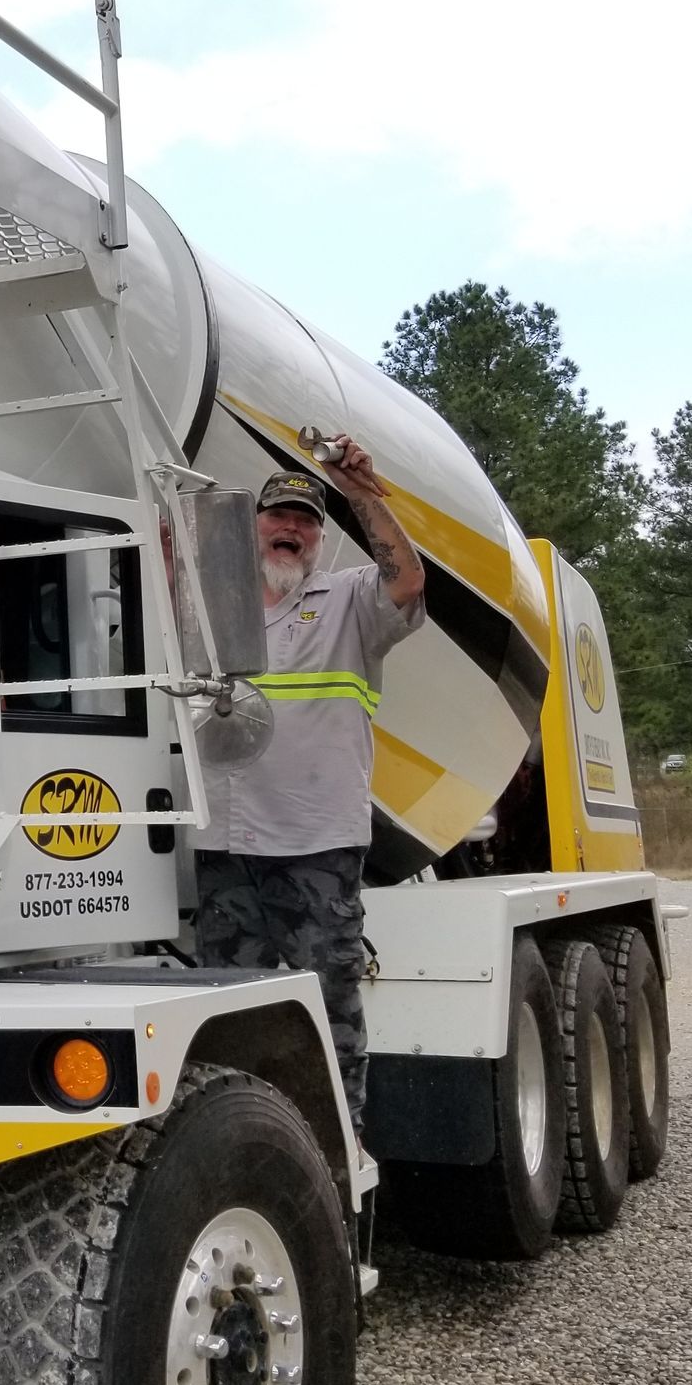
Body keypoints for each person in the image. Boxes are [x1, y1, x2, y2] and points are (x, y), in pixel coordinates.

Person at [193, 440, 425, 1142]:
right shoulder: (209, 601)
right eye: (278, 515)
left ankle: (337, 1162)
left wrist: (357, 493)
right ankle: (248, 1149)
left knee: (328, 1013)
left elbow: (408, 583)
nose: (290, 528)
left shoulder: (351, 598)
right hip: (222, 842)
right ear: (253, 524)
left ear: (322, 536)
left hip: (314, 843)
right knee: (225, 1012)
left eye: (306, 519)